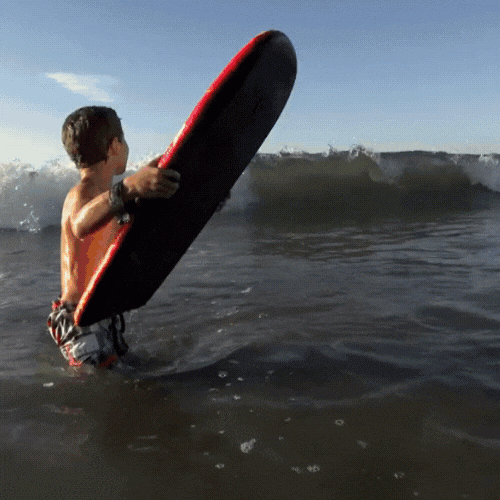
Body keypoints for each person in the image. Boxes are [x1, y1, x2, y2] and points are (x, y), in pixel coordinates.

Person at [47, 106, 180, 368]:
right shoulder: (82, 193)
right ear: (115, 146)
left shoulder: (106, 201)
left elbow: (123, 220)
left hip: (99, 314)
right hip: (81, 320)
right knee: (102, 387)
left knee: (121, 375)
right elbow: (80, 224)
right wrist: (129, 187)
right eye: (125, 139)